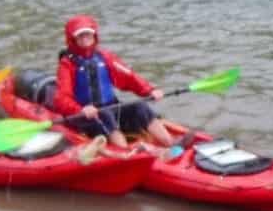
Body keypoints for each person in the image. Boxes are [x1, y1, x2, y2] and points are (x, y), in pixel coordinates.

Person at [52, 15, 183, 150]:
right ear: (72, 39)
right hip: (84, 116)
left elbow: (128, 77)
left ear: (94, 35)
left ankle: (170, 143)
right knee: (105, 116)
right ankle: (127, 152)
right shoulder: (67, 65)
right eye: (80, 36)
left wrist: (150, 90)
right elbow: (61, 98)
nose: (85, 38)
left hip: (110, 107)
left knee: (139, 107)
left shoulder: (105, 57)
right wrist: (80, 109)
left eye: (88, 34)